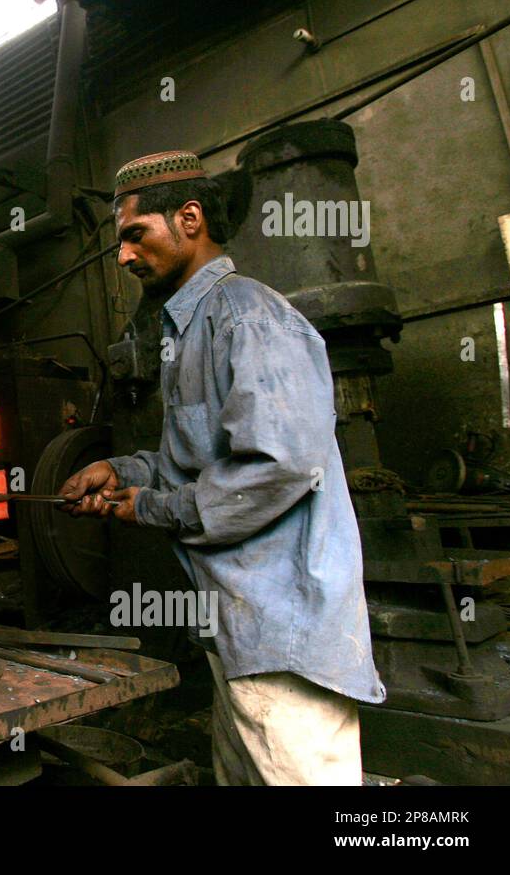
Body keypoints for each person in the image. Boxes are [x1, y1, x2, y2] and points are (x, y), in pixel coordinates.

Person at [60, 150, 385, 785]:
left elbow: (277, 465)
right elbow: (200, 458)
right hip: (237, 632)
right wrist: (123, 470)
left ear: (188, 218)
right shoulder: (188, 328)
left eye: (134, 235)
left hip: (283, 635)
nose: (123, 257)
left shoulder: (248, 316)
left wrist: (152, 507)